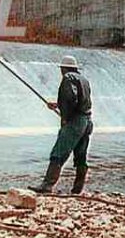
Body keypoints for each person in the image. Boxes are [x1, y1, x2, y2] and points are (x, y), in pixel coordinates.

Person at [29, 55, 93, 194]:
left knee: (58, 153)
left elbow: (71, 99)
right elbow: (80, 100)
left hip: (75, 122)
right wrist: (58, 105)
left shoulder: (68, 78)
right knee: (81, 155)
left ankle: (47, 185)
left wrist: (65, 117)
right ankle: (78, 189)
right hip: (87, 121)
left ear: (64, 68)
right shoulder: (84, 80)